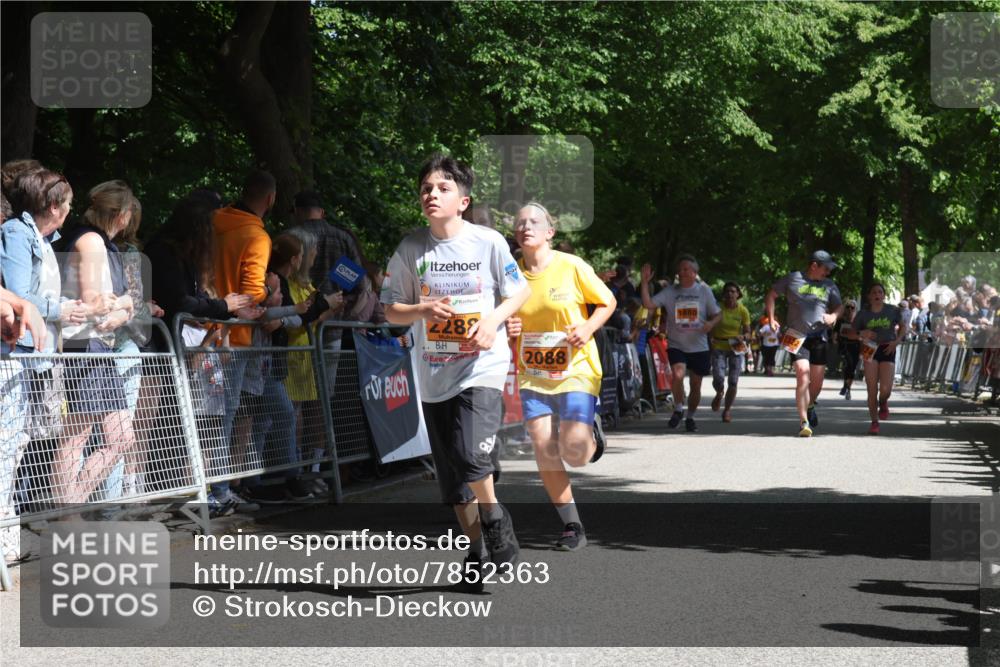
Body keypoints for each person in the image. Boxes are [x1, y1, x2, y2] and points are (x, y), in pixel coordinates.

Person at [381, 154, 530, 591]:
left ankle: (497, 518)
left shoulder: (487, 242)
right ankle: (477, 553)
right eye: (426, 188)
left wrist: (493, 320)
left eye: (443, 188)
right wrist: (422, 309)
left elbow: (518, 291)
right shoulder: (411, 249)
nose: (432, 194)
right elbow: (390, 309)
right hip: (434, 374)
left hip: (481, 366)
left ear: (462, 200)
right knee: (453, 484)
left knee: (470, 456)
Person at [508, 202, 615, 551]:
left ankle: (591, 435)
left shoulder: (571, 266)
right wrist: (510, 327)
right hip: (533, 372)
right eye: (520, 222)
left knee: (575, 453)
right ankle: (572, 525)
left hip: (576, 369)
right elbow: (504, 317)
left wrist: (587, 327)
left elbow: (608, 301)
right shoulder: (511, 274)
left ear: (550, 232)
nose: (527, 226)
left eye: (534, 221)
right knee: (542, 447)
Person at [56, 180, 140, 504]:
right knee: (76, 437)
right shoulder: (90, 241)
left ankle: (71, 504)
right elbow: (95, 301)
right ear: (121, 214)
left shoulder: (102, 243)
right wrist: (126, 304)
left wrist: (125, 307)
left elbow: (115, 304)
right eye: (130, 213)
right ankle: (68, 513)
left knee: (120, 438)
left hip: (97, 347)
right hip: (84, 346)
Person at [209, 170, 274, 514]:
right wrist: (269, 290)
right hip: (234, 336)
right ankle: (218, 491)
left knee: (209, 416)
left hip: (201, 329)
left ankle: (215, 488)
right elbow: (252, 292)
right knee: (226, 415)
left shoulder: (213, 222)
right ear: (270, 200)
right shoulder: (256, 236)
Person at [765, 250, 843, 437]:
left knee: (816, 383)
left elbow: (839, 307)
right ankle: (803, 422)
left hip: (819, 336)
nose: (828, 272)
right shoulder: (793, 279)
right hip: (796, 335)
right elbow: (771, 296)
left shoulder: (829, 285)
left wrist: (833, 316)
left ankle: (810, 403)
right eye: (825, 268)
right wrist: (771, 318)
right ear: (814, 266)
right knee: (802, 374)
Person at [640, 255, 721, 432]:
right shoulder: (670, 292)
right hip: (677, 344)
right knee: (677, 374)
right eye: (680, 269)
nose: (681, 272)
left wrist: (710, 324)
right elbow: (648, 303)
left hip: (699, 346)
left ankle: (690, 416)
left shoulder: (704, 291)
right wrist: (645, 283)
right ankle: (678, 409)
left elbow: (718, 314)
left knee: (696, 384)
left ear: (694, 272)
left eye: (686, 269)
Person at [854, 283, 905, 435]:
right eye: (874, 292)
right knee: (871, 387)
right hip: (869, 348)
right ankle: (874, 422)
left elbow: (903, 327)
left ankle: (883, 402)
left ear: (884, 295)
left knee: (885, 389)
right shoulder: (863, 314)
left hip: (887, 347)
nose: (877, 295)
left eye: (880, 292)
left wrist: (896, 342)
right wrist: (862, 333)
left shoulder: (892, 311)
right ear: (869, 296)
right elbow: (851, 332)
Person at [709, 282, 751, 423]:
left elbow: (748, 333)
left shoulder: (743, 310)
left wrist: (743, 336)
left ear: (738, 294)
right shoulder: (717, 308)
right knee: (719, 378)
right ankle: (719, 392)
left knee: (733, 381)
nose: (730, 294)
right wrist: (709, 340)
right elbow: (709, 325)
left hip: (736, 347)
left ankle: (727, 410)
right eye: (727, 291)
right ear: (723, 294)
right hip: (719, 345)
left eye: (733, 291)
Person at [833, 299, 861, 400]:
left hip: (856, 346)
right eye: (847, 307)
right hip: (844, 346)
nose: (849, 309)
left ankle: (847, 386)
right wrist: (835, 338)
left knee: (852, 368)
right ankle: (847, 387)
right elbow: (835, 332)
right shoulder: (841, 320)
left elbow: (862, 334)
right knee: (847, 364)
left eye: (852, 307)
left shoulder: (858, 321)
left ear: (855, 309)